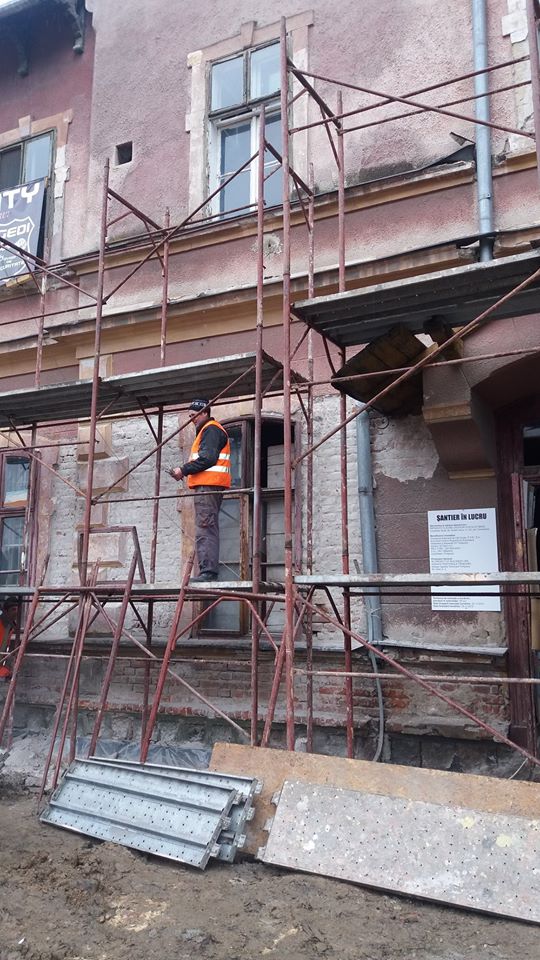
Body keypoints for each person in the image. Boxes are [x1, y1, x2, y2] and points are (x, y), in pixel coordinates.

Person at [170, 399, 231, 582]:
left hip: (208, 484)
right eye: (189, 416)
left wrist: (183, 470)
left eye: (194, 415)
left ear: (204, 412)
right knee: (206, 525)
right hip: (209, 484)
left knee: (205, 526)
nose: (192, 419)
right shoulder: (209, 430)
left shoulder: (211, 429)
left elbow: (208, 458)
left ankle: (208, 573)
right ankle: (207, 571)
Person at [0, 596, 19, 681]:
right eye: (13, 609)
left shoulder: (10, 626)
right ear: (6, 611)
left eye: (17, 610)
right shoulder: (3, 624)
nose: (16, 612)